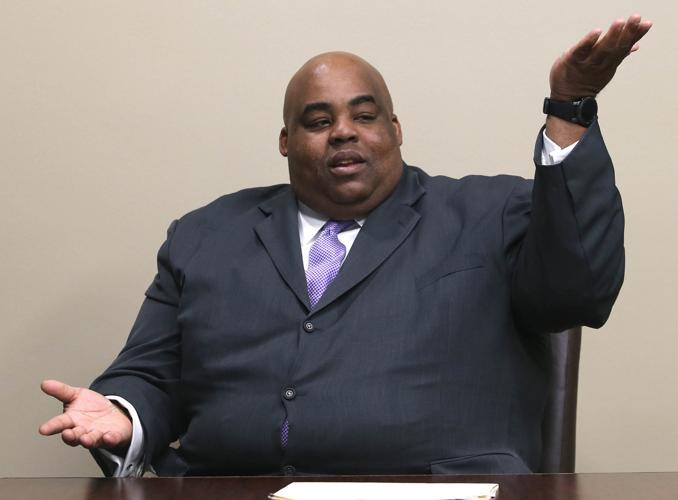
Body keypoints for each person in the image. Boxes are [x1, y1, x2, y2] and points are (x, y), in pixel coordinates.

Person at [40, 15, 651, 476]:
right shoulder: (206, 235)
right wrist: (124, 416)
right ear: (286, 141)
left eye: (364, 115)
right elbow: (149, 374)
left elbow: (580, 293)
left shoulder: (492, 214)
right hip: (230, 490)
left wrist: (569, 109)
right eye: (318, 121)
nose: (343, 133)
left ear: (395, 129)